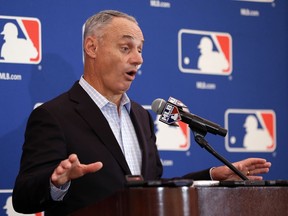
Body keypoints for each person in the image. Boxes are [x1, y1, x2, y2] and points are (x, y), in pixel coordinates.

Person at [12, 10, 271, 215]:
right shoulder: (53, 115)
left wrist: (213, 176)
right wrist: (57, 182)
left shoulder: (140, 115)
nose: (138, 59)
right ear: (92, 48)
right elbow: (23, 198)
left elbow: (151, 187)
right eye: (126, 48)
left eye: (140, 49)